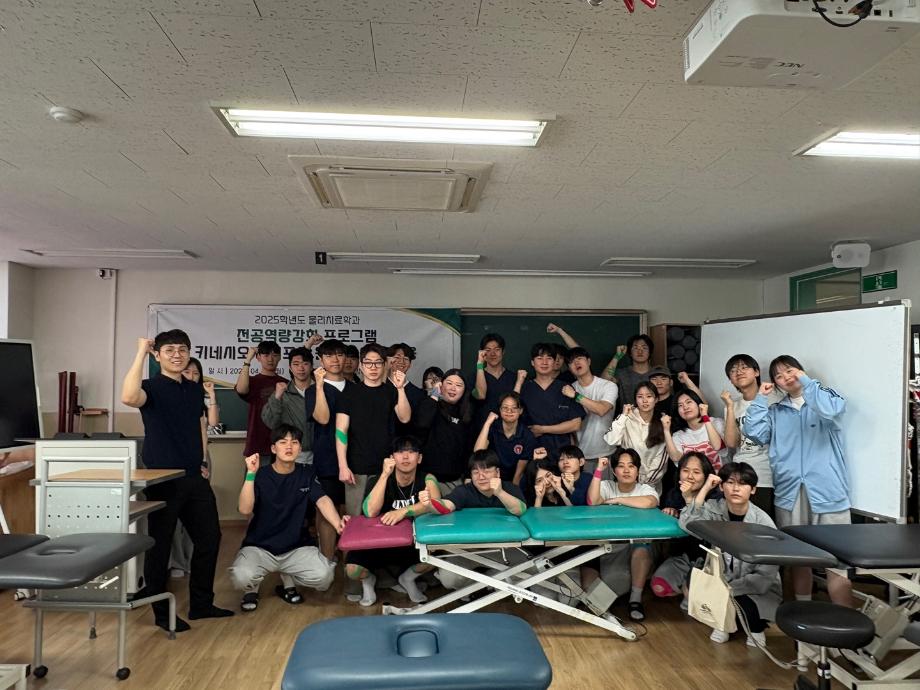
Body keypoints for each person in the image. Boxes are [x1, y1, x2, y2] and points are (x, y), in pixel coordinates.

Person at [121, 332, 232, 632]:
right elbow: (128, 397)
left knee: (210, 538)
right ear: (158, 356)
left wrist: (203, 460)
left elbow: (200, 427)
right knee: (160, 545)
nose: (177, 355)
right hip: (163, 478)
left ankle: (201, 604)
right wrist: (141, 352)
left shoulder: (194, 389)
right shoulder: (150, 387)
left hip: (194, 476)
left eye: (182, 349)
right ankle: (161, 613)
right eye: (169, 350)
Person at [743, 355, 853, 607]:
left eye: (790, 370)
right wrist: (760, 399)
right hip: (789, 491)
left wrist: (808, 382)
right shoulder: (775, 411)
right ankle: (804, 612)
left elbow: (832, 410)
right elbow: (754, 433)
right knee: (798, 558)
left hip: (828, 490)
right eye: (779, 376)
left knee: (837, 560)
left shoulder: (824, 398)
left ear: (801, 371)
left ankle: (846, 620)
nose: (786, 377)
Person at [230, 425, 346, 612]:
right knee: (241, 577)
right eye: (283, 442)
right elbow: (245, 509)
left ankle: (287, 579)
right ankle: (252, 589)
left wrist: (338, 525)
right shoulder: (260, 475)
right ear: (273, 448)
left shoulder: (307, 472)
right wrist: (250, 474)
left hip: (295, 547)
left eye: (295, 442)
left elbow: (323, 501)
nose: (289, 446)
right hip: (260, 547)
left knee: (324, 577)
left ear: (300, 448)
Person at [679, 462, 783, 646]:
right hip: (723, 580)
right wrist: (705, 489)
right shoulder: (714, 509)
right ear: (721, 486)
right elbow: (688, 525)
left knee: (746, 604)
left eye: (742, 484)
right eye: (730, 482)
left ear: (753, 490)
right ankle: (723, 622)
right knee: (695, 581)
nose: (735, 489)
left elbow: (765, 575)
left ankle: (755, 629)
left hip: (754, 587)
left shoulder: (763, 522)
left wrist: (728, 589)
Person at [344, 436, 440, 606]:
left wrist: (403, 511)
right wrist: (385, 474)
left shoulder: (427, 478)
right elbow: (370, 511)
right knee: (352, 569)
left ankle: (407, 579)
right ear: (392, 457)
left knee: (438, 554)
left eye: (411, 452)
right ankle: (368, 582)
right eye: (400, 452)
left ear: (419, 458)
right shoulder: (378, 479)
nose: (405, 457)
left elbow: (436, 503)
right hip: (378, 542)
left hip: (411, 543)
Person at [420, 450, 527, 591]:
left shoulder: (510, 488)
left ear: (497, 472)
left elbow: (520, 509)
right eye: (475, 472)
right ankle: (481, 586)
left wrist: (499, 492)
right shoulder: (464, 491)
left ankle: (494, 578)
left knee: (530, 571)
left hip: (504, 549)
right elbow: (446, 506)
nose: (481, 477)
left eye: (487, 471)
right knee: (448, 579)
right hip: (470, 551)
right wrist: (430, 504)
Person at [335, 343, 411, 519]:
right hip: (357, 467)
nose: (373, 367)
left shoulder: (391, 391)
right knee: (355, 519)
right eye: (368, 362)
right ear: (361, 366)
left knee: (385, 517)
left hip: (387, 466)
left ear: (384, 365)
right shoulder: (348, 393)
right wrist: (343, 466)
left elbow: (405, 417)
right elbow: (341, 431)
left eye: (378, 363)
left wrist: (400, 388)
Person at [587, 450, 659, 621]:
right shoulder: (606, 486)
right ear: (614, 471)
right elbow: (593, 501)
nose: (626, 470)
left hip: (640, 546)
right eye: (621, 466)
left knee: (641, 549)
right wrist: (598, 470)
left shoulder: (645, 489)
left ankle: (636, 599)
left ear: (637, 470)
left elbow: (650, 502)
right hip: (613, 548)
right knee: (608, 591)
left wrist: (618, 500)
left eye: (631, 466)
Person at [169, 357, 218, 579]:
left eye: (196, 373)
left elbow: (210, 425)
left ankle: (191, 560)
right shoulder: (170, 395)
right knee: (176, 517)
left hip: (200, 458)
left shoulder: (200, 397)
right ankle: (178, 562)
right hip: (174, 461)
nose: (191, 376)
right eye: (187, 372)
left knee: (198, 516)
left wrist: (203, 461)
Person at [303, 339, 352, 561]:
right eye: (329, 355)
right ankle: (327, 560)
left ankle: (351, 560)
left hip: (354, 460)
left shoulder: (355, 389)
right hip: (326, 460)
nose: (335, 359)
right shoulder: (313, 390)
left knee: (350, 511)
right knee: (326, 511)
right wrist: (320, 386)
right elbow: (322, 418)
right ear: (321, 360)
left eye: (340, 354)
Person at [650, 451, 717, 610]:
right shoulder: (674, 494)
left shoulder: (716, 498)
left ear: (706, 475)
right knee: (659, 587)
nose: (690, 476)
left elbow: (699, 529)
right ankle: (688, 588)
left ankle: (692, 590)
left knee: (691, 604)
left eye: (696, 472)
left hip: (708, 560)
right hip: (683, 557)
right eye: (685, 471)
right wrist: (670, 511)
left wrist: (688, 499)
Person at [722, 354, 780, 516]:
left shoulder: (775, 400)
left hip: (767, 475)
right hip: (739, 475)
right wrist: (730, 407)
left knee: (763, 524)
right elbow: (732, 443)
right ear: (731, 380)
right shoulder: (732, 406)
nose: (738, 372)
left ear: (756, 372)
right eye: (733, 370)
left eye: (744, 367)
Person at [519, 343, 586, 460]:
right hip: (532, 453)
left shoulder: (565, 388)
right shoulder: (525, 389)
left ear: (555, 362)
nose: (544, 362)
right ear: (532, 362)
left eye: (549, 358)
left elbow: (576, 424)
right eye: (540, 358)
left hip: (562, 454)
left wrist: (543, 429)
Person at [603, 382, 669, 492]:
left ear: (656, 399)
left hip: (650, 486)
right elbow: (611, 440)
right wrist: (623, 416)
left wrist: (644, 485)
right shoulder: (626, 417)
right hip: (625, 480)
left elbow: (661, 460)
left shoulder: (663, 421)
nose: (644, 400)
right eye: (640, 397)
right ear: (635, 400)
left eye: (649, 396)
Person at [414, 369, 473, 492]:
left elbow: (469, 448)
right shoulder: (430, 404)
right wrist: (435, 394)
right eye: (449, 383)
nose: (453, 388)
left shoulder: (467, 413)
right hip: (428, 478)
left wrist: (468, 475)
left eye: (458, 385)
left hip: (456, 480)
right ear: (441, 385)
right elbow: (422, 424)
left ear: (464, 390)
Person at [561, 347, 619, 469]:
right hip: (580, 455)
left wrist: (576, 396)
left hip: (606, 453)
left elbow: (602, 409)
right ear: (569, 368)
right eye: (571, 361)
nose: (576, 362)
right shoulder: (569, 389)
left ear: (588, 361)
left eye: (579, 358)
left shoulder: (608, 386)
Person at [260, 345, 317, 464]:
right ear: (290, 368)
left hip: (321, 453)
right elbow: (271, 423)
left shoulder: (322, 390)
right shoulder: (282, 393)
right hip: (292, 453)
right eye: (296, 364)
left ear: (312, 366)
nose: (301, 368)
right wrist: (277, 397)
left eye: (305, 364)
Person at [236, 341, 287, 465]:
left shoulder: (285, 383)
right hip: (257, 443)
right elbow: (241, 390)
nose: (270, 359)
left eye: (275, 355)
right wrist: (248, 360)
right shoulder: (252, 381)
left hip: (282, 442)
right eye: (266, 355)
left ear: (280, 357)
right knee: (255, 477)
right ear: (258, 358)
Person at [473, 392, 538, 484]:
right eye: (505, 407)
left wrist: (513, 489)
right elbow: (478, 452)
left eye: (514, 408)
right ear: (500, 409)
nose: (509, 411)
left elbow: (519, 473)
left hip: (513, 479)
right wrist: (487, 423)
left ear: (520, 411)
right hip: (491, 477)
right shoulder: (492, 428)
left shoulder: (527, 436)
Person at [663, 391, 728, 470]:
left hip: (722, 475)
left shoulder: (716, 423)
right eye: (680, 405)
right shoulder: (678, 435)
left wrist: (705, 416)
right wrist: (666, 431)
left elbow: (717, 446)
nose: (685, 407)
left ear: (698, 404)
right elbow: (675, 458)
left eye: (689, 402)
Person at [470, 333, 522, 432]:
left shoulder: (514, 378)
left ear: (503, 352)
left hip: (508, 433)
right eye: (488, 350)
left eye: (497, 349)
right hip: (481, 432)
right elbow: (480, 395)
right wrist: (480, 364)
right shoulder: (474, 377)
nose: (492, 354)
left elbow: (517, 406)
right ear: (482, 353)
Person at [601, 334, 654, 406]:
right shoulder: (622, 373)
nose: (640, 351)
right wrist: (617, 357)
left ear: (650, 352)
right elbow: (603, 381)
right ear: (630, 353)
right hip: (627, 412)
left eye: (644, 348)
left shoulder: (657, 374)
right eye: (635, 348)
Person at [387, 343, 426, 437]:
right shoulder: (380, 388)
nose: (401, 361)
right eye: (397, 357)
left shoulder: (418, 394)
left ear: (410, 364)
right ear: (389, 361)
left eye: (406, 359)